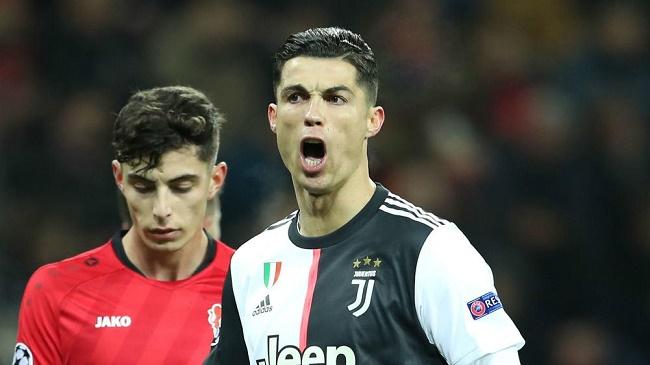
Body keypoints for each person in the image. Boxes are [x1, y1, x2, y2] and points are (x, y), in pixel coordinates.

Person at [206, 27, 525, 365]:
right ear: (274, 117)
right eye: (296, 97)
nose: (312, 114)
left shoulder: (429, 250)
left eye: (335, 98)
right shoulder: (251, 264)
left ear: (372, 121)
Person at [14, 86, 234, 364]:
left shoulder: (255, 291)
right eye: (143, 186)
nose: (161, 210)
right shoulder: (56, 293)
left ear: (215, 180)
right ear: (119, 177)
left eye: (181, 187)